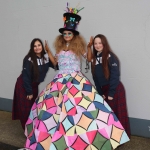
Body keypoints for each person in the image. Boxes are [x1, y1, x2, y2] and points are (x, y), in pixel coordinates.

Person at [24, 4, 129, 150]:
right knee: (52, 108)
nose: (67, 35)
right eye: (65, 34)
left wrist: (89, 47)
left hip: (76, 80)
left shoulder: (78, 47)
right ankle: (54, 138)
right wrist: (48, 51)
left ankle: (86, 139)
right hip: (59, 80)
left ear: (74, 35)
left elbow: (90, 59)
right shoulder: (60, 48)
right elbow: (56, 65)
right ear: (62, 35)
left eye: (69, 33)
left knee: (82, 109)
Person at [87, 34, 131, 137]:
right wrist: (100, 92)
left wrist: (111, 93)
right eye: (95, 43)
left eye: (100, 43)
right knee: (106, 116)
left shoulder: (110, 56)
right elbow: (95, 78)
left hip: (115, 89)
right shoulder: (94, 59)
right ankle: (110, 138)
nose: (97, 45)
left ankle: (120, 138)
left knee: (116, 115)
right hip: (104, 91)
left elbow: (115, 75)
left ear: (104, 44)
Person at [12, 38, 57, 130]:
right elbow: (26, 76)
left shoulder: (45, 58)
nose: (37, 48)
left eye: (39, 45)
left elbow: (56, 66)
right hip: (24, 85)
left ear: (42, 46)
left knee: (33, 108)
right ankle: (27, 131)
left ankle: (32, 129)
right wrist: (29, 92)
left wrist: (49, 52)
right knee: (25, 109)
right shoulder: (28, 59)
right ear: (32, 48)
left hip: (34, 86)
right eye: (34, 46)